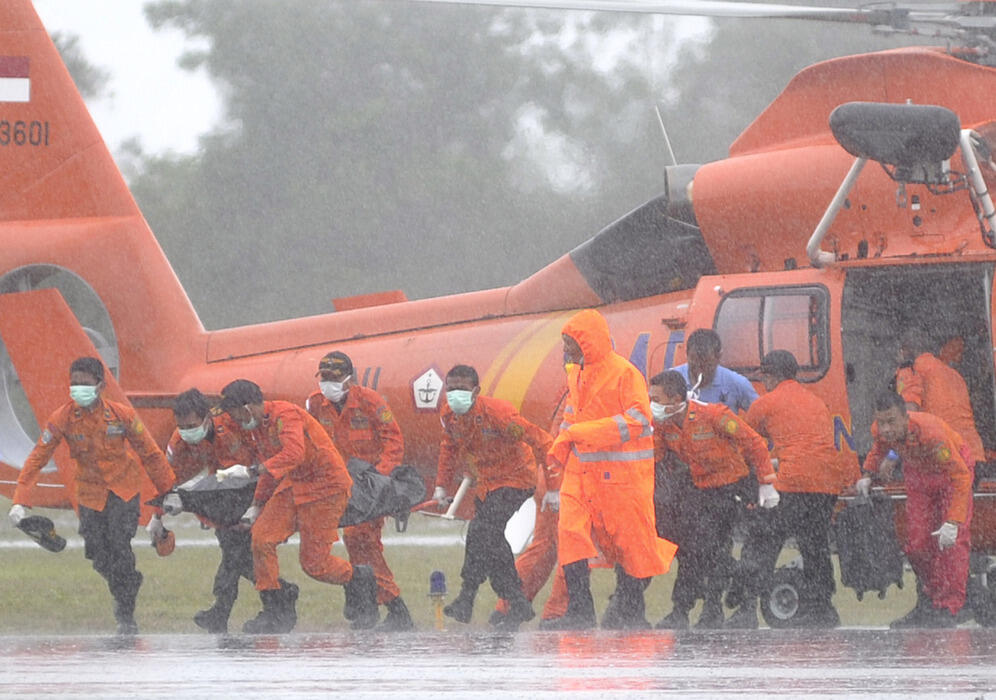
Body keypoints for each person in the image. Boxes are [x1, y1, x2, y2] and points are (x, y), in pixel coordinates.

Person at [7, 356, 175, 635]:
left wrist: (168, 492)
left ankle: (125, 614)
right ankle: (128, 584)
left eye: (85, 384)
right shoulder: (62, 418)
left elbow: (150, 453)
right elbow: (37, 457)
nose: (78, 390)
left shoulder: (122, 415)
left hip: (123, 490)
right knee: (97, 554)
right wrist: (20, 501)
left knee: (120, 547)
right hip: (89, 494)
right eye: (74, 384)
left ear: (100, 385)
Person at [546, 309, 677, 630]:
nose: (566, 351)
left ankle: (632, 612)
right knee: (570, 535)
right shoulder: (575, 375)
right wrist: (559, 451)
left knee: (629, 545)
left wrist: (583, 434)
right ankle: (580, 610)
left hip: (622, 479)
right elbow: (570, 422)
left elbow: (638, 419)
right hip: (581, 476)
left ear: (587, 343)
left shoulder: (624, 374)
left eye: (570, 344)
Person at [216, 379, 378, 631]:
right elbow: (271, 466)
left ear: (248, 407)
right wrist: (256, 505)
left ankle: (359, 578)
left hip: (326, 488)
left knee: (315, 564)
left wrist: (250, 472)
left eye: (237, 414)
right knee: (261, 539)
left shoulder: (285, 416)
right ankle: (275, 608)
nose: (236, 421)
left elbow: (293, 454)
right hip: (295, 485)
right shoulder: (257, 427)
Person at [726, 350, 860, 629]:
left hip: (793, 482)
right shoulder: (816, 401)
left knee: (763, 541)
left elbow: (745, 443)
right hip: (826, 485)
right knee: (814, 546)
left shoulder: (766, 403)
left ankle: (746, 608)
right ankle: (822, 607)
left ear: (768, 375)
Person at [651, 370, 777, 630]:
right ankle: (687, 608)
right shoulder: (664, 424)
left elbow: (754, 443)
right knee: (690, 550)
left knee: (709, 547)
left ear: (675, 399)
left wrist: (766, 482)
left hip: (731, 488)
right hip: (699, 489)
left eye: (656, 399)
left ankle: (720, 599)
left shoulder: (713, 415)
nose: (651, 404)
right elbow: (654, 456)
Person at [165, 388, 298, 634]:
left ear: (207, 417)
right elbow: (168, 474)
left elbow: (265, 451)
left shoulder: (234, 422)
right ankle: (277, 596)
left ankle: (236, 607)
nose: (187, 431)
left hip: (255, 488)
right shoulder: (181, 438)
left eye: (192, 425)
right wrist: (159, 510)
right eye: (181, 426)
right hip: (225, 496)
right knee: (235, 553)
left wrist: (259, 500)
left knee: (237, 552)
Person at [433, 364, 552, 630]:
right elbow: (448, 448)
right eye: (450, 389)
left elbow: (539, 439)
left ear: (476, 391)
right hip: (487, 484)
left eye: (461, 390)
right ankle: (514, 599)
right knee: (487, 536)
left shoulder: (498, 413)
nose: (454, 395)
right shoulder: (449, 416)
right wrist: (441, 486)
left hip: (517, 480)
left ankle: (471, 596)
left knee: (481, 530)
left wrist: (553, 483)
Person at [305, 350, 413, 631]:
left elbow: (393, 441)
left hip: (372, 484)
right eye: (324, 377)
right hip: (341, 485)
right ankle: (371, 606)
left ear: (349, 379)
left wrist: (380, 476)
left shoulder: (370, 402)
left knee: (361, 538)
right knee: (356, 543)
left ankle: (388, 606)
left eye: (334, 377)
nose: (328, 383)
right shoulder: (315, 405)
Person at [857, 391, 974, 628]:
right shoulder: (879, 431)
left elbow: (961, 477)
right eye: (882, 422)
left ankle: (951, 607)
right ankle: (930, 599)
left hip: (951, 474)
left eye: (891, 422)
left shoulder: (932, 434)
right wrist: (868, 473)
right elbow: (879, 446)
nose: (886, 429)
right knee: (918, 544)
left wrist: (953, 520)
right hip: (919, 476)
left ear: (905, 418)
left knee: (951, 544)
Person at [672, 327, 758, 622]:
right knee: (690, 545)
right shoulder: (674, 381)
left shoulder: (736, 385)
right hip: (685, 479)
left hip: (723, 482)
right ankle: (685, 606)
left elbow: (757, 427)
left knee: (714, 543)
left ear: (718, 358)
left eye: (706, 364)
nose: (700, 370)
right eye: (694, 364)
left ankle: (712, 604)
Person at [894, 327, 985, 465]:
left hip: (945, 456)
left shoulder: (910, 370)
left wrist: (891, 455)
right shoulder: (954, 374)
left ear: (905, 350)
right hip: (973, 454)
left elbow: (909, 416)